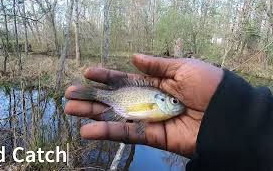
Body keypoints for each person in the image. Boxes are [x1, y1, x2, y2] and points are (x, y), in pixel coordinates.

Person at [64, 54, 273, 171]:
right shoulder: (154, 105)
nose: (177, 104)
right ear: (161, 100)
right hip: (118, 103)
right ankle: (88, 93)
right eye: (173, 101)